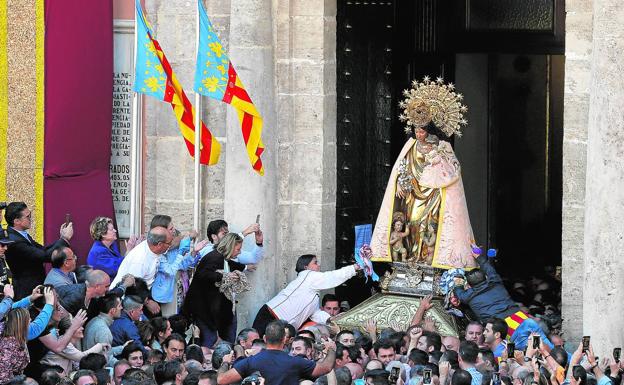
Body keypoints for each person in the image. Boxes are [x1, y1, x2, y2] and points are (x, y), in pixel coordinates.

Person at [370, 78, 475, 269]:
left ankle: (426, 258)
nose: (418, 134)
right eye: (415, 131)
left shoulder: (442, 146)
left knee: (429, 225)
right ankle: (411, 257)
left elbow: (454, 170)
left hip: (434, 194)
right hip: (414, 193)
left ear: (429, 129)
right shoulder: (410, 145)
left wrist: (436, 158)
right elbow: (402, 167)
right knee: (413, 222)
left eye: (421, 131)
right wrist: (400, 183)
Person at [453, 251, 553, 351]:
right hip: (522, 319)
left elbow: (457, 288)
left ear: (469, 286)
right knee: (546, 348)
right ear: (485, 278)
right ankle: (564, 361)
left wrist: (457, 270)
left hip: (507, 329)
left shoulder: (467, 296)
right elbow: (489, 269)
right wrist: (478, 256)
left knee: (530, 353)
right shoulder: (496, 282)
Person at [252, 254, 361, 335]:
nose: (319, 266)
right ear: (306, 267)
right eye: (315, 263)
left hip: (280, 324)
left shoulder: (311, 287)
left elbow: (314, 313)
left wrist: (329, 319)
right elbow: (332, 277)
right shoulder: (308, 275)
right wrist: (355, 267)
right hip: (270, 317)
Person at [217, 320, 336, 385]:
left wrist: (225, 362)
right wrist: (331, 349)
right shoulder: (296, 362)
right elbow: (326, 367)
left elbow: (221, 380)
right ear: (285, 339)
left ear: (264, 338)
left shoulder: (250, 362)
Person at [183, 233, 247, 348]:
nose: (240, 252)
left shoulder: (222, 258)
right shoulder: (215, 257)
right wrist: (223, 277)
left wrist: (246, 267)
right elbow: (203, 275)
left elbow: (230, 265)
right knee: (210, 343)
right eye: (238, 249)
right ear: (230, 247)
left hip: (214, 311)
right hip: (204, 311)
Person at [4, 202, 73, 299]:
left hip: (33, 285)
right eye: (28, 216)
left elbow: (42, 249)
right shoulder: (15, 241)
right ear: (17, 221)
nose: (30, 219)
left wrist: (61, 238)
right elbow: (44, 256)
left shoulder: (20, 234)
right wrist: (64, 239)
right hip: (27, 290)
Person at [83, 293, 125, 362]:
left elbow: (106, 351)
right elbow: (107, 359)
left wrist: (123, 348)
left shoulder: (94, 320)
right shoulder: (104, 330)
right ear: (112, 311)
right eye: (119, 306)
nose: (122, 308)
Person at [199, 220, 264, 265]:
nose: (228, 236)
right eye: (224, 234)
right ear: (214, 236)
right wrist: (245, 232)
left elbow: (253, 258)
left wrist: (259, 243)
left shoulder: (233, 251)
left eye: (228, 233)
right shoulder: (206, 250)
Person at [0, 308, 33, 384]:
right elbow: (2, 377)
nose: (30, 320)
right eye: (28, 318)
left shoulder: (10, 336)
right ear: (21, 323)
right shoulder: (8, 347)